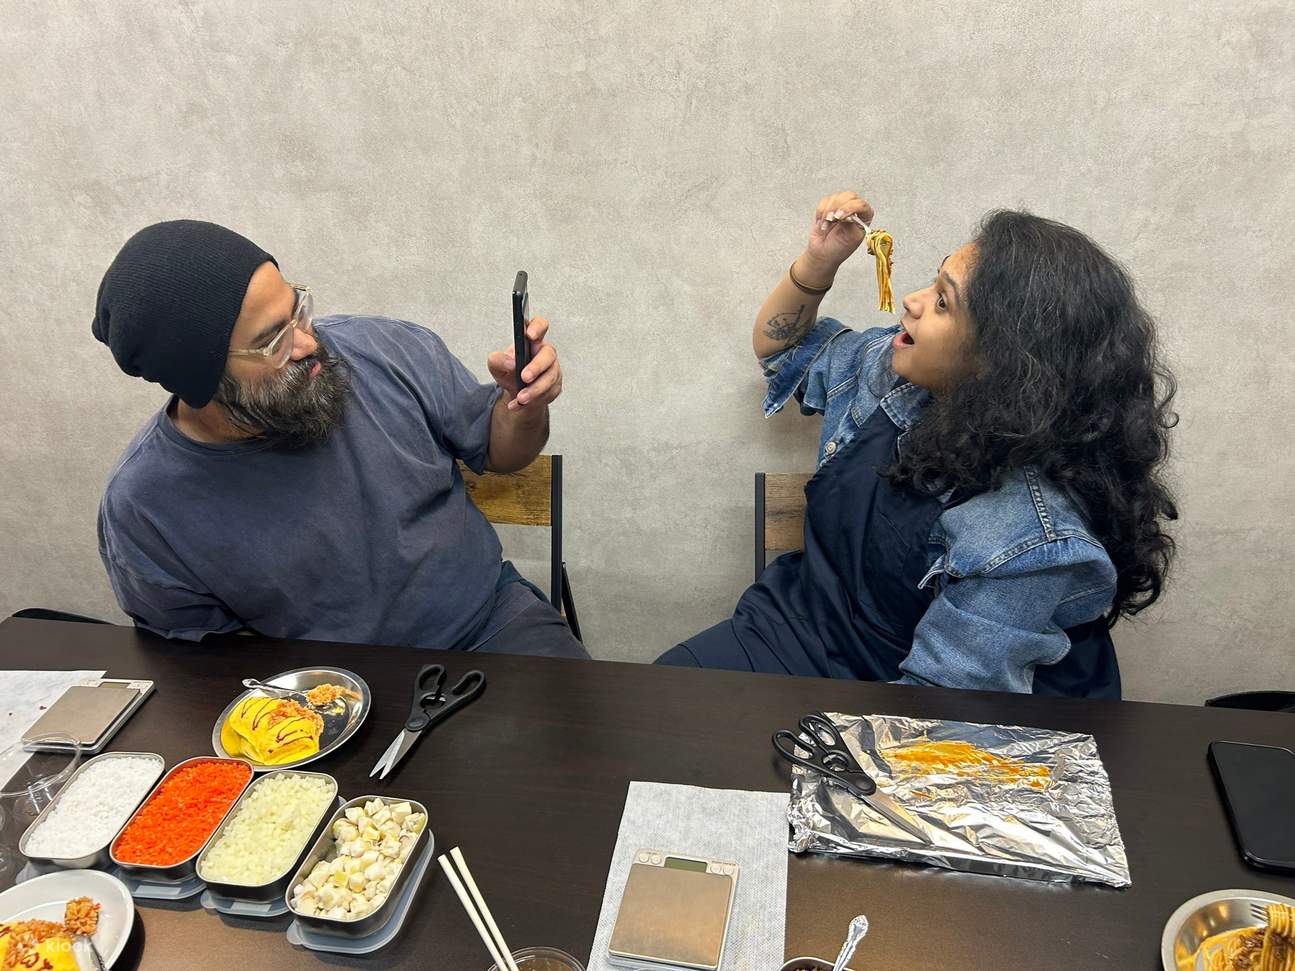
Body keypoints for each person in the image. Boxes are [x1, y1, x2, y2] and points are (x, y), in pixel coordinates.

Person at [658, 192, 1178, 697]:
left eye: (943, 302)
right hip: (802, 627)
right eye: (934, 281)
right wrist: (818, 262)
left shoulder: (1030, 534)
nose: (912, 300)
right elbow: (785, 350)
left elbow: (941, 710)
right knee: (658, 701)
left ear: (1002, 361)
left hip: (915, 692)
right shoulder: (896, 378)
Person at [93, 219, 587, 659]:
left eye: (298, 310)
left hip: (491, 621)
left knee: (587, 752)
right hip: (327, 687)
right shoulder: (146, 505)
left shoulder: (384, 349)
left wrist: (524, 405)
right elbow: (198, 656)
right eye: (273, 340)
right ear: (197, 381)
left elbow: (502, 454)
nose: (309, 342)